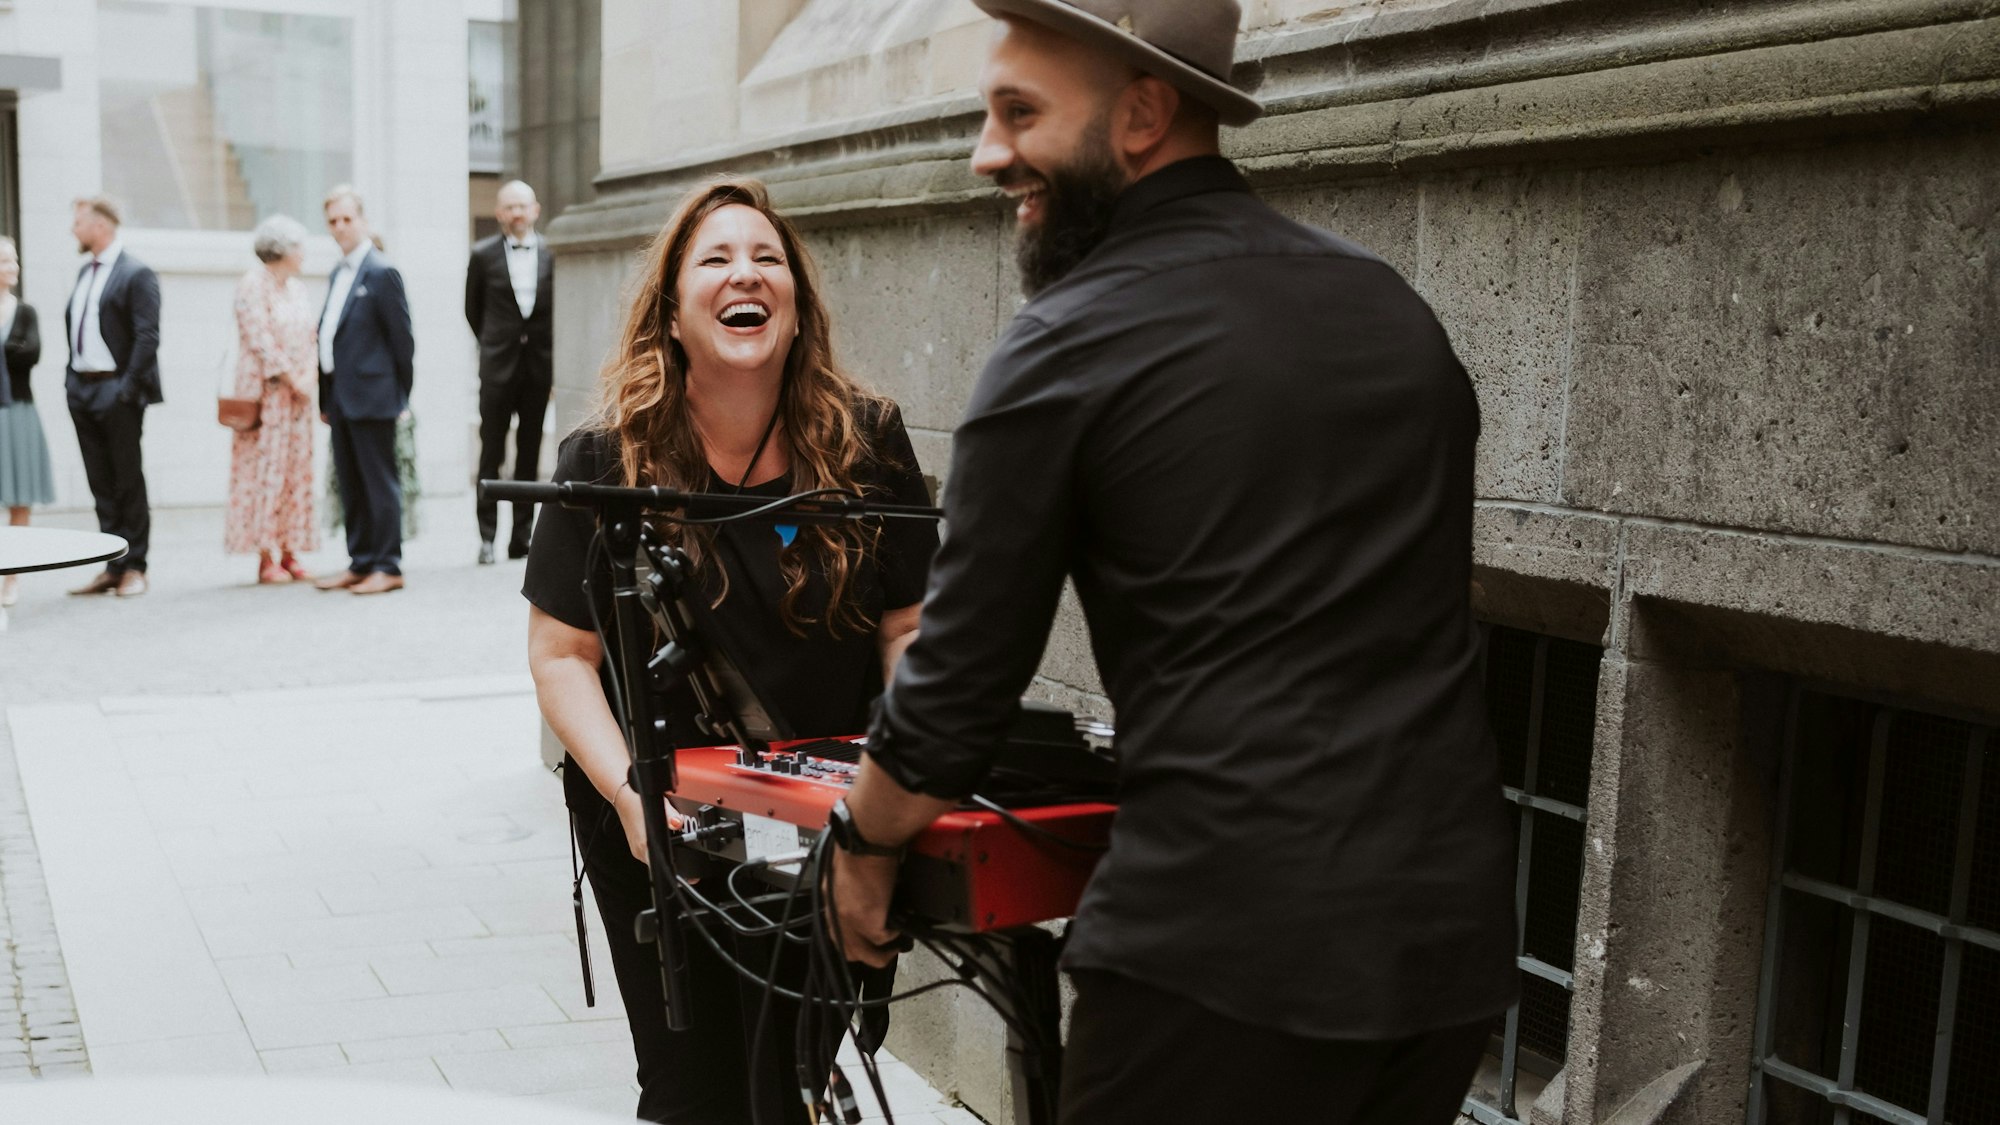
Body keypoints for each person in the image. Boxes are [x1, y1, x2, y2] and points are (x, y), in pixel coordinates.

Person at [829, 3, 1519, 1123]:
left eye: (1019, 112)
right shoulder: (1392, 311)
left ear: (1144, 113)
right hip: (1446, 945)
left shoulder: (1066, 341)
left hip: (1219, 953)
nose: (988, 153)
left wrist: (860, 844)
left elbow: (955, 686)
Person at [523, 176, 937, 1125]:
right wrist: (631, 795)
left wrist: (901, 778)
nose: (744, 273)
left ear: (797, 306)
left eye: (766, 258)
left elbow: (910, 628)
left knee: (786, 1083)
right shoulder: (605, 459)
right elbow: (560, 656)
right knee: (689, 1089)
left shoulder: (869, 442)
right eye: (715, 259)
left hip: (823, 817)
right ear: (671, 313)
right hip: (655, 812)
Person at [313, 185, 414, 596]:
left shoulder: (381, 271)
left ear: (363, 221)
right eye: (332, 221)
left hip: (374, 397)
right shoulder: (338, 272)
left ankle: (388, 565)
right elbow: (331, 335)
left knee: (379, 482)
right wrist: (325, 397)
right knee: (351, 483)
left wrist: (400, 396)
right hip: (339, 396)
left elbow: (402, 340)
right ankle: (361, 561)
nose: (340, 227)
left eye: (347, 219)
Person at [64, 194, 161, 598]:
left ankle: (135, 565)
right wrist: (71, 382)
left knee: (126, 479)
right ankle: (112, 564)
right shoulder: (85, 273)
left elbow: (147, 335)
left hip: (115, 390)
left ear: (100, 225)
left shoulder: (136, 273)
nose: (74, 230)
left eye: (79, 222)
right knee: (100, 482)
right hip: (82, 389)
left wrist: (125, 389)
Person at [223, 215, 320, 583]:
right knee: (266, 472)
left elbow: (312, 336)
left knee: (296, 473)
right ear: (281, 249)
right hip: (268, 396)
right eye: (299, 247)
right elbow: (258, 337)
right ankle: (265, 556)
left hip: (298, 398)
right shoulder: (253, 285)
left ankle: (291, 549)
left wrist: (309, 375)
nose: (304, 254)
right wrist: (290, 376)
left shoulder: (298, 289)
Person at [466, 179, 554, 565]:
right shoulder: (482, 255)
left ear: (535, 210)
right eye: (510, 207)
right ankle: (487, 538)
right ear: (499, 213)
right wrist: (493, 346)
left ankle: (522, 538)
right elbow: (472, 310)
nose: (517, 213)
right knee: (491, 450)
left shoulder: (554, 253)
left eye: (523, 206)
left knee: (529, 453)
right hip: (497, 369)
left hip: (538, 368)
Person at [0, 235, 55, 609]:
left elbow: (30, 354)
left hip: (19, 411)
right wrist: (11, 348)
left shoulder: (26, 312)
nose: (13, 267)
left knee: (19, 499)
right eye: (5, 261)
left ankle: (11, 577)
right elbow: (18, 352)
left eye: (14, 260)